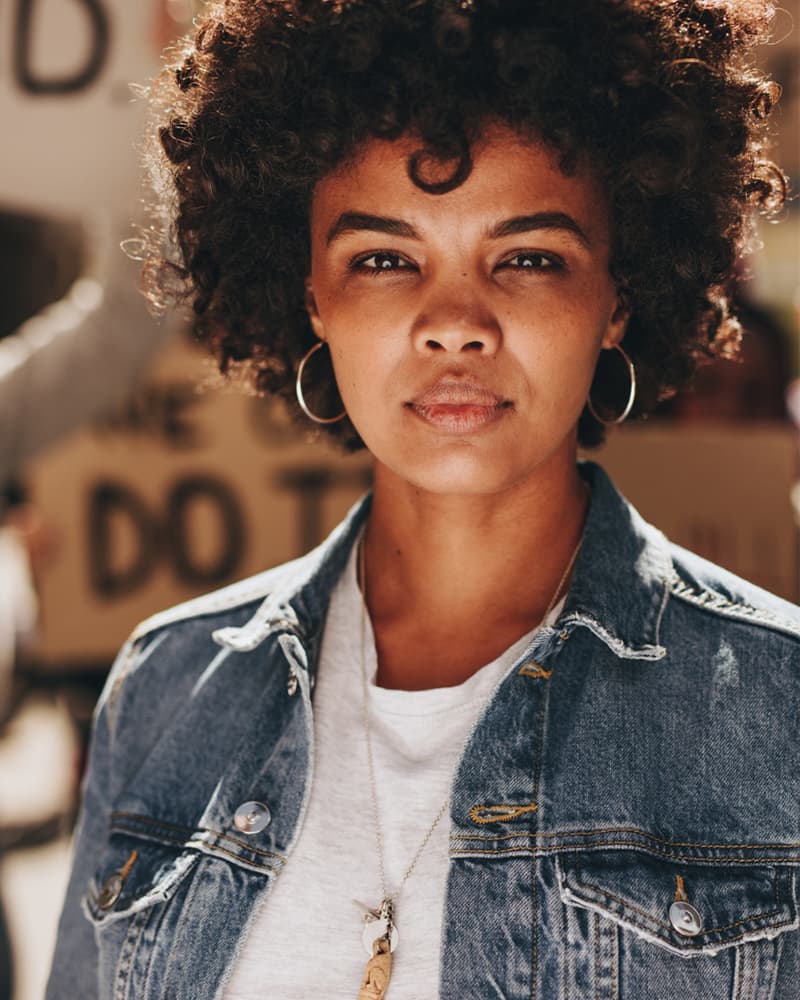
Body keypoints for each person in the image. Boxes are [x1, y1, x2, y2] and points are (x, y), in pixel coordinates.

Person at [47, 2, 799, 998]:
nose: (452, 323)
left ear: (614, 294)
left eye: (527, 256)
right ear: (310, 290)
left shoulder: (777, 708)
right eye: (383, 258)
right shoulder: (165, 689)